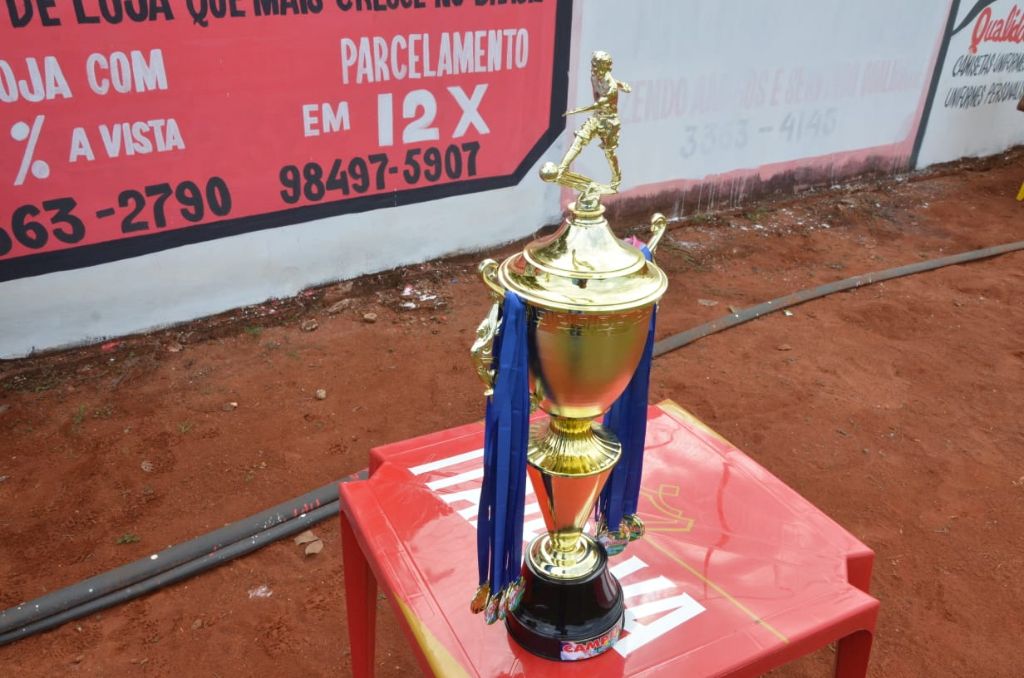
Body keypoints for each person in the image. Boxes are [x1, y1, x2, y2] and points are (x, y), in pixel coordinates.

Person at [555, 51, 632, 191]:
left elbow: (597, 104)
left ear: (603, 66)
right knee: (579, 140)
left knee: (609, 153)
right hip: (596, 118)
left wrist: (574, 111)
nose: (593, 68)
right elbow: (598, 93)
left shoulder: (612, 88)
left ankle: (616, 179)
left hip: (609, 122)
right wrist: (621, 84)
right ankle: (562, 168)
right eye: (592, 64)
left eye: (596, 65)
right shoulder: (594, 77)